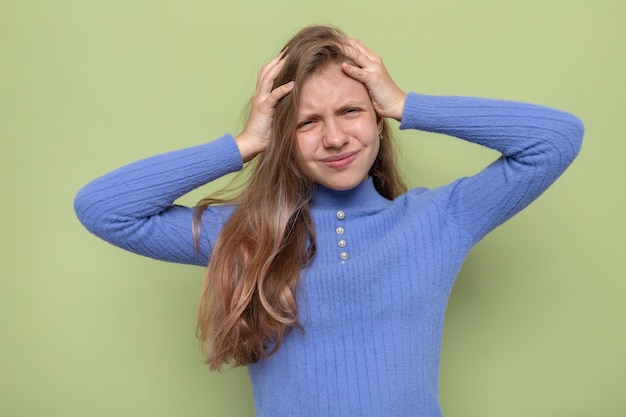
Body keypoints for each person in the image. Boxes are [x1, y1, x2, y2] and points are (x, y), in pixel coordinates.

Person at [74, 25, 584, 417]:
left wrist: (406, 103)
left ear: (378, 121)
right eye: (308, 122)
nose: (335, 138)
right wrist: (245, 144)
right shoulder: (250, 236)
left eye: (352, 112)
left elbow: (556, 139)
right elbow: (104, 208)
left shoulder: (438, 220)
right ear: (283, 139)